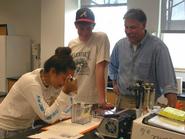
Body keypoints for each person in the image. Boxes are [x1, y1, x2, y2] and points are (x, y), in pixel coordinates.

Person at [0, 47, 77, 138]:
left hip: (26, 126)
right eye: (64, 79)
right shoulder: (31, 83)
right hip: (7, 129)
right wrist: (66, 92)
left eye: (69, 79)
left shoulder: (54, 82)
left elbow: (66, 111)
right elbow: (48, 117)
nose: (65, 83)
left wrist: (71, 93)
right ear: (53, 72)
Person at [109, 8, 177, 109]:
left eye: (132, 27)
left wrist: (172, 112)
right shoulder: (120, 45)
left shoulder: (158, 48)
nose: (128, 31)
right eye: (126, 27)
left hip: (147, 104)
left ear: (144, 25)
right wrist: (115, 84)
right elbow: (113, 66)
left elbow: (169, 84)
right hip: (122, 101)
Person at [68, 7, 112, 109]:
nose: (85, 32)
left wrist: (102, 100)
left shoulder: (101, 38)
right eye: (81, 28)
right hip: (74, 99)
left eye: (89, 28)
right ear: (76, 25)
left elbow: (100, 67)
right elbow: (70, 73)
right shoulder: (71, 44)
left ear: (93, 25)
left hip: (93, 100)